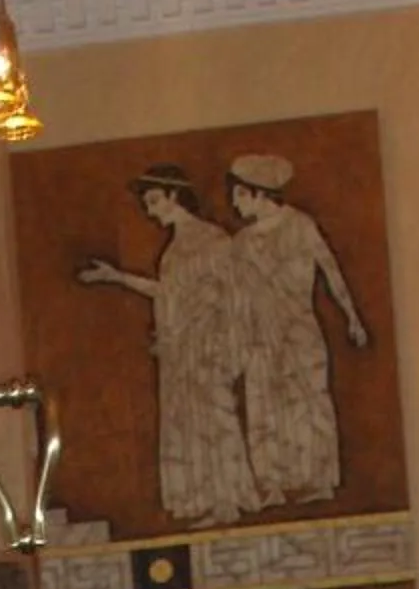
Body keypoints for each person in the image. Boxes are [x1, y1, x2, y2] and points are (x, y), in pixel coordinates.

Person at [78, 166, 260, 528]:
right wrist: (117, 277)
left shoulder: (213, 240)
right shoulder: (175, 249)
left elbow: (236, 295)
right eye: (147, 202)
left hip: (208, 345)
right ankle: (205, 499)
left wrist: (232, 345)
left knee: (215, 417)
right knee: (190, 422)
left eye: (154, 200)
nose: (150, 210)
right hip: (182, 348)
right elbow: (168, 293)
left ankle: (226, 500)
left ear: (175, 197)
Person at [225, 151, 369, 510]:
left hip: (298, 328)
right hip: (260, 334)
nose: (235, 204)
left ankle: (315, 480)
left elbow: (330, 270)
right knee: (263, 406)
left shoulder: (300, 225)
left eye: (240, 195)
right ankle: (272, 483)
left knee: (307, 402)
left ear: (259, 193)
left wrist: (352, 316)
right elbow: (234, 296)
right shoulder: (241, 243)